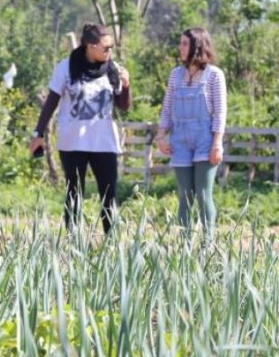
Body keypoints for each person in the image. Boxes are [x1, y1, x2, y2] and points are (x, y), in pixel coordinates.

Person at [29, 23, 132, 235]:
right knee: (74, 193)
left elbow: (123, 106)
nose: (110, 51)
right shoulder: (66, 68)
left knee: (109, 194)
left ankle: (111, 243)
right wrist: (37, 134)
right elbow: (51, 103)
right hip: (73, 143)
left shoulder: (113, 69)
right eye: (106, 47)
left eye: (111, 47)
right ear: (91, 46)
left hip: (104, 142)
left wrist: (127, 85)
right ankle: (74, 242)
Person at [155, 27, 227, 239]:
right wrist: (161, 135)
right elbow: (167, 108)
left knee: (204, 195)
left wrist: (217, 142)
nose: (180, 47)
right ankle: (184, 248)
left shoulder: (214, 75)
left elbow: (220, 111)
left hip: (206, 140)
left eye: (185, 43)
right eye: (181, 43)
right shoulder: (176, 75)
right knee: (185, 195)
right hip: (181, 140)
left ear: (198, 46)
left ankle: (208, 245)